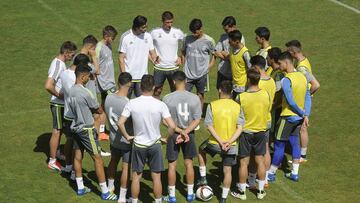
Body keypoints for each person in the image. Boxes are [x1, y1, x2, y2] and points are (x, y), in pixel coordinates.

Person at [118, 75, 176, 203]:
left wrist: (127, 136)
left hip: (138, 145)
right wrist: (166, 138)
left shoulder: (132, 103)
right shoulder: (160, 104)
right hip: (155, 144)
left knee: (136, 177)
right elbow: (172, 126)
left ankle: (134, 201)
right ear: (154, 87)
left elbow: (120, 123)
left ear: (140, 86)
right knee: (156, 177)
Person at [68, 64, 117, 200]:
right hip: (87, 129)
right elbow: (98, 109)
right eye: (88, 76)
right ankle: (105, 191)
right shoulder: (85, 92)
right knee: (98, 158)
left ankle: (80, 187)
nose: (89, 79)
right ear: (82, 76)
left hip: (76, 128)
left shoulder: (71, 90)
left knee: (77, 156)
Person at [267, 52, 311, 182]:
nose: (279, 66)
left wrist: (300, 112)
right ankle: (294, 173)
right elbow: (307, 96)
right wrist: (305, 114)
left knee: (279, 145)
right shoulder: (303, 77)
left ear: (286, 62)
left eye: (280, 63)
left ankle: (271, 173)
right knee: (294, 143)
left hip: (287, 117)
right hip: (299, 119)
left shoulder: (286, 80)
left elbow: (290, 101)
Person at [198, 80, 242, 203]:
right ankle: (223, 198)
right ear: (232, 92)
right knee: (227, 171)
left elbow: (209, 126)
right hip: (231, 145)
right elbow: (240, 128)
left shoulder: (212, 105)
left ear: (219, 90)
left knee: (201, 150)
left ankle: (203, 178)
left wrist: (221, 141)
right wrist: (229, 142)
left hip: (215, 143)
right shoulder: (237, 107)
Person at [162, 71, 202, 203]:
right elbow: (197, 119)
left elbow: (164, 121)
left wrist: (179, 131)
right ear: (185, 81)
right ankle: (190, 194)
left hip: (173, 134)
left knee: (172, 165)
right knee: (189, 163)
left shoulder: (167, 98)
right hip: (189, 134)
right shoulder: (195, 98)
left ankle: (172, 196)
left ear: (173, 82)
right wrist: (186, 132)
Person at [231, 69, 270, 200]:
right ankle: (260, 191)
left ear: (248, 80)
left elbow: (236, 113)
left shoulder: (241, 97)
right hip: (261, 132)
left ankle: (242, 193)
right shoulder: (265, 94)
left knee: (243, 163)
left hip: (246, 133)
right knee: (260, 162)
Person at [285, 40, 320, 162]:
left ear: (293, 52)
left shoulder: (301, 67)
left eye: (289, 51)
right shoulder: (304, 60)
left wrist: (308, 96)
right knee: (302, 127)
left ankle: (302, 156)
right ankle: (301, 154)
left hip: (303, 102)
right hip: (303, 100)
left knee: (302, 128)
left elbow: (315, 85)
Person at [44, 41, 77, 171]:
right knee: (57, 131)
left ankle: (56, 153)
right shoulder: (58, 64)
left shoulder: (61, 63)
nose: (72, 57)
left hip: (60, 104)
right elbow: (48, 85)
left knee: (60, 131)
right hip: (57, 104)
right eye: (72, 54)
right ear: (66, 52)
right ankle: (52, 160)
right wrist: (60, 96)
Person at [104, 72, 133, 203]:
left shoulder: (108, 98)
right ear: (129, 84)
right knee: (126, 167)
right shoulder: (127, 103)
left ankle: (110, 187)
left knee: (113, 161)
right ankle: (122, 196)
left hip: (113, 137)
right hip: (125, 140)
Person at [60, 54, 90, 175]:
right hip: (77, 116)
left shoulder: (64, 73)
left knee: (69, 140)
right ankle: (74, 172)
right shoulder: (77, 79)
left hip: (67, 113)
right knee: (78, 147)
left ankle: (68, 166)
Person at [81, 34, 110, 154]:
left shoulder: (78, 57)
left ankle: (92, 146)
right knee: (97, 117)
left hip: (86, 94)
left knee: (95, 118)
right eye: (93, 49)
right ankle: (97, 148)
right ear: (90, 47)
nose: (94, 51)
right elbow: (97, 70)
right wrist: (94, 57)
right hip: (88, 95)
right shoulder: (83, 59)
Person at [249, 56, 276, 188]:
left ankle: (252, 179)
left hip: (256, 120)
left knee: (254, 153)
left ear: (256, 67)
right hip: (268, 118)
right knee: (265, 149)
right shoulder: (271, 80)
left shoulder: (257, 82)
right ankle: (264, 179)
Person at [118, 15, 159, 98]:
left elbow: (151, 52)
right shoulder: (125, 37)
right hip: (129, 78)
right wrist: (124, 76)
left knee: (143, 103)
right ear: (136, 27)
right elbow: (121, 58)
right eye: (143, 27)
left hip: (142, 78)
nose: (145, 29)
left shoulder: (148, 36)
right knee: (124, 101)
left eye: (146, 26)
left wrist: (155, 59)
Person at [150, 11, 185, 98]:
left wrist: (181, 57)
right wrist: (152, 58)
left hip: (174, 67)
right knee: (156, 91)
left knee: (175, 92)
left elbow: (186, 44)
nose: (169, 24)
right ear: (162, 21)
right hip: (159, 68)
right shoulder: (154, 32)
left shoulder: (177, 32)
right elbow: (146, 45)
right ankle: (156, 110)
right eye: (167, 22)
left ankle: (174, 111)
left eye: (171, 22)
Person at [182, 18, 215, 108]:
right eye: (192, 32)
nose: (194, 34)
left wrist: (209, 66)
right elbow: (183, 52)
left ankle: (198, 115)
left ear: (201, 29)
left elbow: (214, 54)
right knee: (185, 95)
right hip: (188, 73)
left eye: (196, 32)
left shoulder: (209, 41)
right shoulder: (187, 39)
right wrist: (184, 64)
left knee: (200, 95)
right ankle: (186, 114)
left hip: (202, 74)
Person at [96, 25, 118, 142]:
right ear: (106, 36)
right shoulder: (99, 47)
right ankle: (115, 130)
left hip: (110, 81)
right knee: (112, 106)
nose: (113, 40)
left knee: (104, 107)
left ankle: (101, 132)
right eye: (112, 38)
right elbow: (95, 64)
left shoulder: (108, 45)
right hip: (105, 83)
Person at [214, 16, 245, 89]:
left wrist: (226, 56)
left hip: (234, 74)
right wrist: (226, 56)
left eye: (227, 30)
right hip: (222, 71)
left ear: (234, 26)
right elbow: (216, 51)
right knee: (220, 92)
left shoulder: (240, 39)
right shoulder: (223, 36)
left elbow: (236, 57)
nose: (225, 32)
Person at [224, 30, 251, 98]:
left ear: (237, 42)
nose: (229, 43)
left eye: (230, 42)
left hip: (242, 86)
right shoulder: (233, 49)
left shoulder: (245, 53)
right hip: (234, 84)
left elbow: (250, 69)